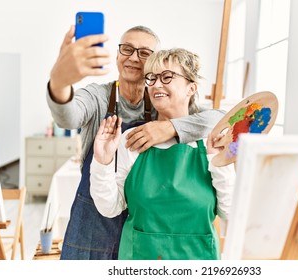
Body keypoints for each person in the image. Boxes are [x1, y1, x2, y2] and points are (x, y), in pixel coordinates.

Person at [46, 25, 225, 260]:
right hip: (96, 218)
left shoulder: (162, 102)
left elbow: (218, 119)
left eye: (144, 53)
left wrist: (169, 127)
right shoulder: (98, 97)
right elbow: (67, 117)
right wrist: (59, 83)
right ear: (118, 55)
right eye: (127, 49)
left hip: (146, 223)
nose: (133, 57)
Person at [90, 48, 235, 260]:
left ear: (191, 88)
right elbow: (110, 208)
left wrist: (217, 160)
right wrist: (103, 161)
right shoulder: (134, 138)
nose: (156, 84)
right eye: (151, 78)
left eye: (167, 77)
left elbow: (230, 211)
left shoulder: (211, 141)